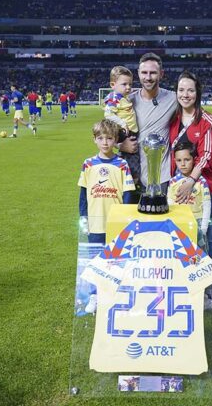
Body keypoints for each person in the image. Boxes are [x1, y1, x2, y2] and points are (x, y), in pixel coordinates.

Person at [119, 53, 212, 198]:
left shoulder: (173, 98)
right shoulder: (127, 102)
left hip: (163, 177)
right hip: (132, 174)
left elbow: (192, 106)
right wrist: (120, 145)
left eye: (153, 73)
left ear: (161, 74)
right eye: (144, 72)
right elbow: (106, 133)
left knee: (162, 218)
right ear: (138, 74)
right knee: (131, 219)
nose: (148, 77)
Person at [78, 119, 135, 313]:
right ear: (94, 140)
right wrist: (83, 216)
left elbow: (128, 194)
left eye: (109, 138)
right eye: (100, 138)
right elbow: (83, 193)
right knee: (96, 261)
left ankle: (117, 294)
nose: (105, 142)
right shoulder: (88, 164)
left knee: (117, 260)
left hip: (115, 223)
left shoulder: (122, 164)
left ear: (116, 140)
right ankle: (95, 296)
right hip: (95, 222)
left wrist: (124, 218)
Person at [168, 70, 212, 263]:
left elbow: (207, 155)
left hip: (203, 186)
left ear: (197, 93)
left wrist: (191, 180)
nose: (185, 94)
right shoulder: (172, 119)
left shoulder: (207, 121)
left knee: (207, 232)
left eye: (190, 90)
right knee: (180, 230)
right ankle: (184, 272)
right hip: (177, 186)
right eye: (181, 90)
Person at [104, 65, 140, 187]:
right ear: (113, 85)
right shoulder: (114, 98)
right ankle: (131, 186)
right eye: (124, 84)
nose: (128, 87)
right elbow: (108, 114)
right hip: (126, 134)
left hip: (131, 133)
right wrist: (123, 123)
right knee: (132, 164)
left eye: (130, 84)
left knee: (132, 161)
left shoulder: (124, 98)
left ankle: (131, 183)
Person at [167, 141, 211, 241]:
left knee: (199, 254)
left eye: (186, 160)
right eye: (179, 160)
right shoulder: (173, 182)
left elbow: (206, 206)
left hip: (197, 224)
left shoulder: (202, 182)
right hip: (178, 223)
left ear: (194, 160)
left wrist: (203, 229)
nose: (183, 164)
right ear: (174, 160)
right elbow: (170, 204)